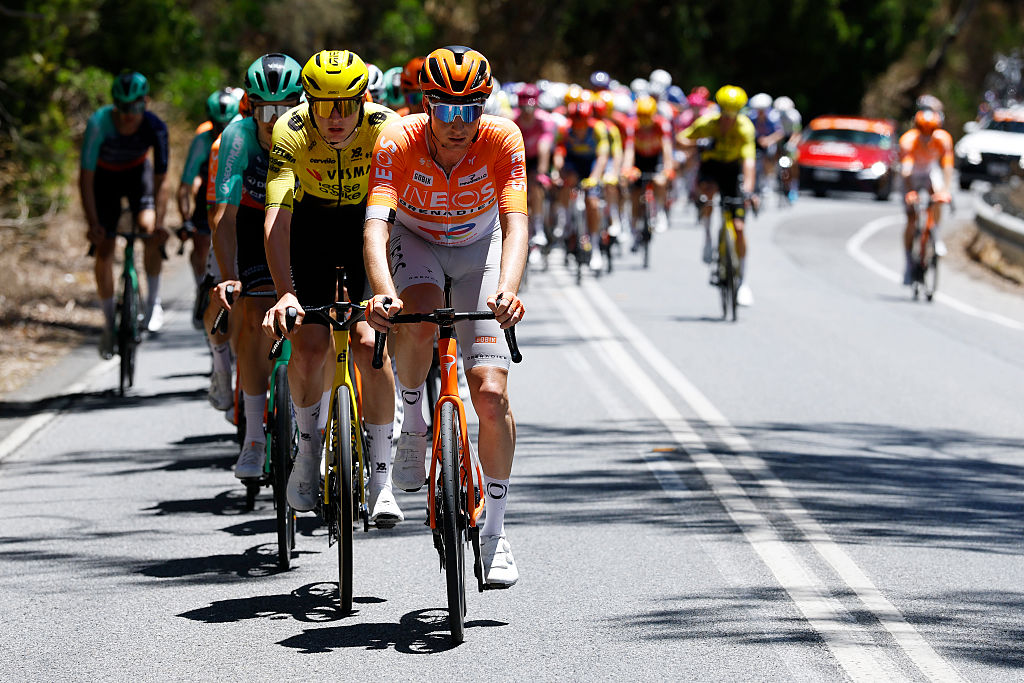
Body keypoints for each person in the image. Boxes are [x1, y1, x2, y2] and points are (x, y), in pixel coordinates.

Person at [363, 45, 528, 587]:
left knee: (491, 392)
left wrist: (507, 289)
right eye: (446, 109)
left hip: (479, 244)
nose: (458, 124)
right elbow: (377, 226)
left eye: (471, 109)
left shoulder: (503, 138)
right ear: (427, 104)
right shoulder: (399, 139)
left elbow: (517, 221)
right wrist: (384, 291)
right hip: (417, 241)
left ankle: (498, 532)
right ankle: (414, 418)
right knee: (419, 317)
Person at [261, 50, 402, 526]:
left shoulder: (387, 126)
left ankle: (382, 479)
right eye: (323, 105)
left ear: (365, 99)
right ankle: (305, 453)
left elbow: (398, 208)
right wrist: (285, 292)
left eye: (345, 105)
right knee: (308, 346)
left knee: (369, 342)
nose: (335, 118)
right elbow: (277, 219)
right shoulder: (291, 131)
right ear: (308, 102)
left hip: (370, 221)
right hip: (311, 227)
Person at [209, 54, 304, 478]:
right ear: (250, 106)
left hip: (303, 220)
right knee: (249, 316)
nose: (275, 119)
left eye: (285, 108)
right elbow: (223, 217)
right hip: (250, 222)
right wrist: (229, 276)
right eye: (265, 109)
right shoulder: (237, 136)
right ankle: (252, 435)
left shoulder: (312, 134)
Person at [80, 71, 170, 357]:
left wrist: (160, 221)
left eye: (136, 107)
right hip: (105, 181)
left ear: (146, 103)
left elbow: (161, 179)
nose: (129, 115)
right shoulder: (99, 123)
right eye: (123, 107)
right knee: (104, 249)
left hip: (137, 176)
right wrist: (93, 223)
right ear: (114, 104)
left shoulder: (155, 127)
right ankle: (109, 325)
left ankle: (153, 304)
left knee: (149, 231)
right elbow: (86, 178)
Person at [676, 85, 756, 305]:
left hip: (732, 170)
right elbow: (679, 140)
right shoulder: (707, 124)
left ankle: (742, 282)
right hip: (711, 168)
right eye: (725, 114)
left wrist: (748, 189)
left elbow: (749, 162)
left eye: (733, 115)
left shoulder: (745, 128)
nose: (728, 119)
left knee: (739, 227)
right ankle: (708, 239)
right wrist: (697, 142)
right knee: (708, 194)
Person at [178, 88, 240, 328]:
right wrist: (186, 220)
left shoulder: (243, 134)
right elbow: (185, 184)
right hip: (209, 193)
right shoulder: (202, 140)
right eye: (216, 124)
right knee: (201, 243)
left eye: (226, 124)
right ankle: (202, 286)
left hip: (234, 195)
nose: (221, 130)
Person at [552, 94, 610, 273]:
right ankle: (566, 221)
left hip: (592, 164)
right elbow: (559, 153)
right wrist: (557, 171)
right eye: (575, 123)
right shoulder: (565, 129)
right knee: (567, 182)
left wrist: (594, 178)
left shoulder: (598, 128)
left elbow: (602, 156)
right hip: (574, 163)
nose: (578, 128)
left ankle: (594, 246)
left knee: (592, 202)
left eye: (582, 123)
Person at [899, 109, 954, 285]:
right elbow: (906, 171)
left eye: (930, 130)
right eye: (922, 130)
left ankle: (935, 235)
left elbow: (947, 166)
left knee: (938, 199)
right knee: (911, 218)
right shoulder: (908, 141)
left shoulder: (943, 139)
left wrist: (945, 190)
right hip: (912, 174)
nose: (926, 135)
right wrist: (910, 192)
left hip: (929, 171)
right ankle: (908, 264)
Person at [512, 83, 556, 257]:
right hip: (519, 158)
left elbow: (545, 147)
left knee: (536, 186)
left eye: (531, 109)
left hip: (538, 157)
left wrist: (542, 173)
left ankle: (538, 230)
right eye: (524, 108)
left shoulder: (545, 120)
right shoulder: (511, 119)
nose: (527, 113)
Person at [623, 94, 674, 237]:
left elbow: (667, 148)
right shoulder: (632, 126)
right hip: (639, 158)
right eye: (641, 116)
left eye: (647, 116)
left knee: (660, 180)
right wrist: (627, 168)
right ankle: (633, 222)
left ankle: (660, 211)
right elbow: (629, 149)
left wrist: (668, 167)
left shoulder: (661, 124)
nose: (644, 121)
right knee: (635, 192)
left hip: (655, 158)